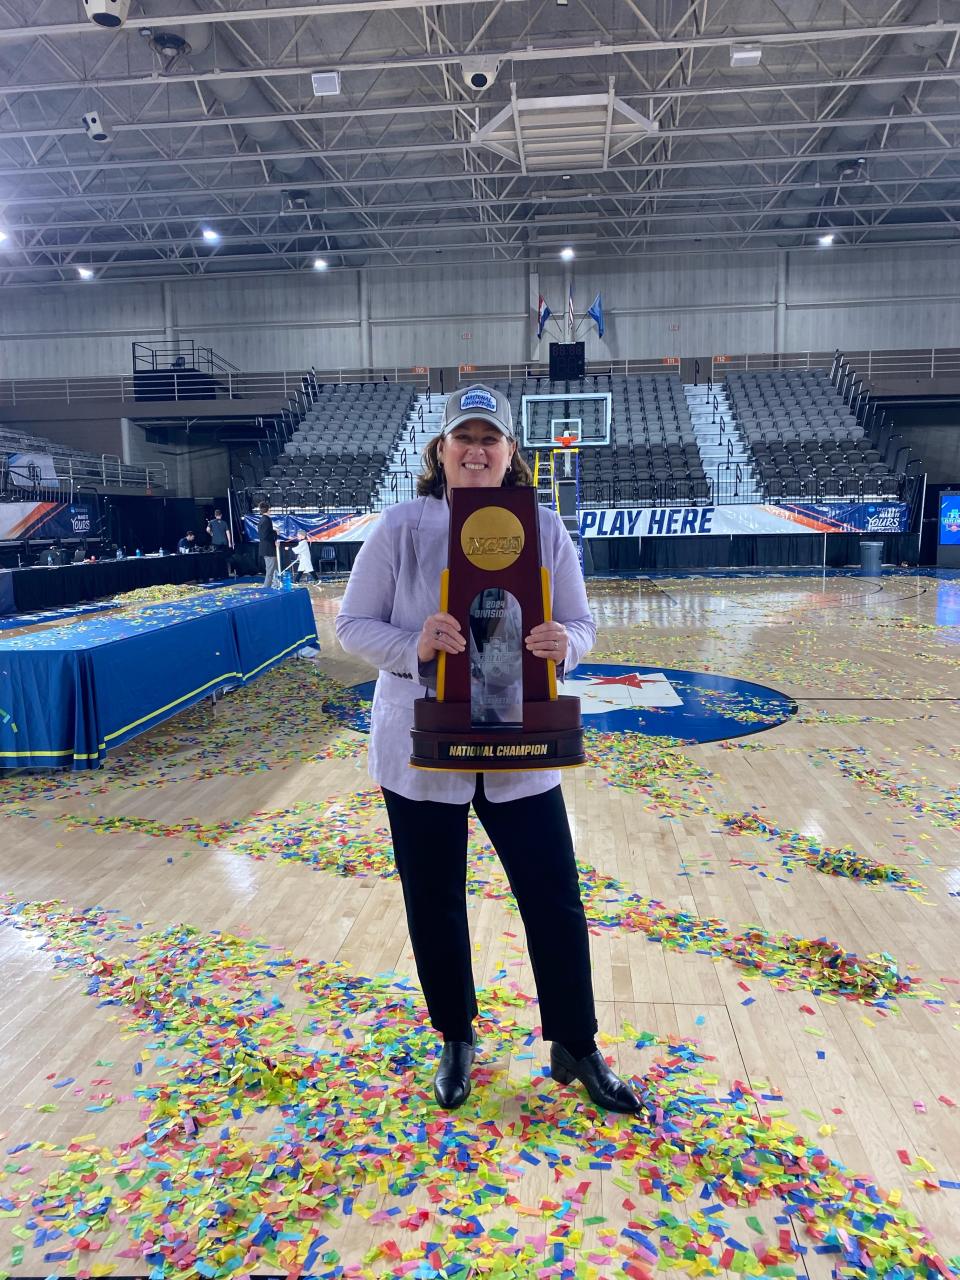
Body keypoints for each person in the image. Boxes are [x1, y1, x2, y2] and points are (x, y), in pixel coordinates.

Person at [336, 384, 640, 1115]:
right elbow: (352, 625)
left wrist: (567, 643)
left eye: (490, 438)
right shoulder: (401, 526)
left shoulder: (545, 528)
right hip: (421, 746)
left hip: (521, 740)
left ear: (511, 453)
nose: (476, 449)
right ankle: (456, 1036)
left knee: (554, 899)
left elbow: (582, 623)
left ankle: (577, 1041)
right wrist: (415, 647)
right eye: (462, 437)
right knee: (434, 902)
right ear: (439, 452)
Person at [258, 501, 279, 587]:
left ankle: (275, 583)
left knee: (274, 568)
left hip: (266, 548)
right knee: (270, 570)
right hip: (268, 548)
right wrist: (275, 532)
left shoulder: (262, 520)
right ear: (269, 510)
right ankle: (266, 587)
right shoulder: (266, 520)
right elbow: (265, 535)